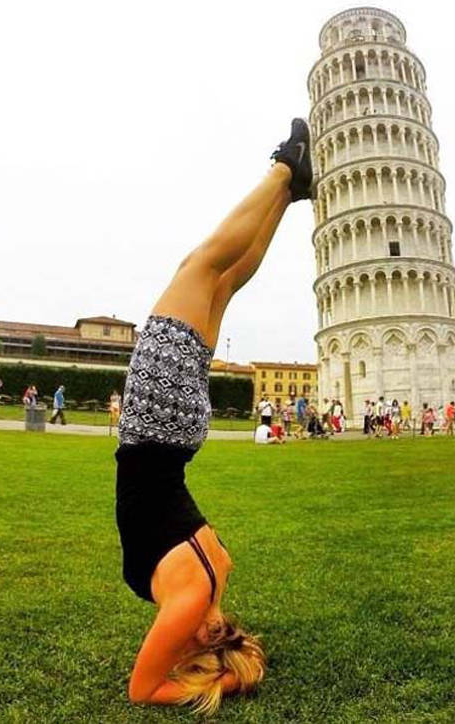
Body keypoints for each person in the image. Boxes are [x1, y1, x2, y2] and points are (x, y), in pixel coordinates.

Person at [114, 118, 313, 712]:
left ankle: (291, 189)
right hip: (156, 421)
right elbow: (142, 691)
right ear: (204, 647)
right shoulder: (189, 597)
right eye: (204, 645)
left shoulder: (217, 574)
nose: (194, 638)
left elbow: (201, 639)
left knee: (219, 280)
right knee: (201, 267)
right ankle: (284, 169)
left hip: (175, 433)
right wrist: (222, 680)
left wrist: (232, 662)